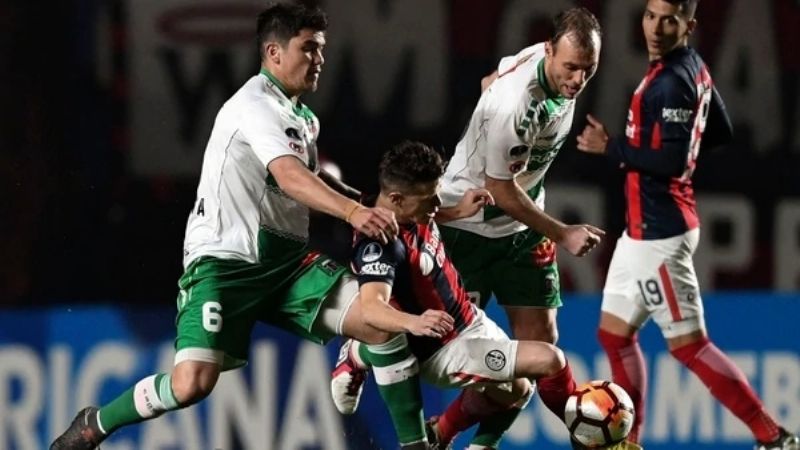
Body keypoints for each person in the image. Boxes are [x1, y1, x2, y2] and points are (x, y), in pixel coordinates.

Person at [50, 5, 453, 450]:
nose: (319, 59)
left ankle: (415, 444)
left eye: (321, 49)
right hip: (226, 263)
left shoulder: (302, 117)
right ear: (273, 52)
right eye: (309, 48)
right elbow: (290, 176)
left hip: (286, 264)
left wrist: (364, 202)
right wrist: (353, 214)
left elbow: (312, 175)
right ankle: (96, 423)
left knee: (383, 323)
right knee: (192, 384)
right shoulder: (254, 105)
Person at [575, 1, 800, 450]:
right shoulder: (690, 67)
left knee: (689, 346)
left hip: (660, 234)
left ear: (689, 25)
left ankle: (774, 438)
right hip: (642, 231)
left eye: (669, 19)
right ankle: (628, 442)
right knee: (614, 334)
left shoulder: (673, 82)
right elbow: (722, 128)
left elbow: (674, 161)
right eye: (650, 15)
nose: (656, 27)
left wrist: (612, 148)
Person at [335, 141, 584, 450]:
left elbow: (419, 212)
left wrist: (456, 212)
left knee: (518, 389)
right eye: (430, 198)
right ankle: (587, 437)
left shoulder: (403, 211)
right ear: (397, 199)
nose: (437, 202)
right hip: (443, 348)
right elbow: (371, 308)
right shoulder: (380, 244)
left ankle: (453, 439)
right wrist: (414, 322)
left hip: (468, 319)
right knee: (549, 359)